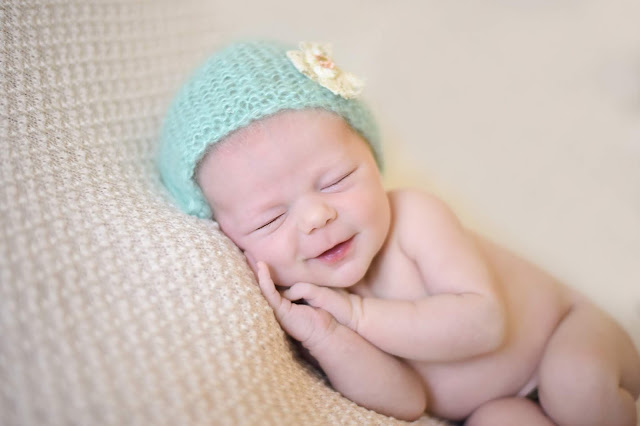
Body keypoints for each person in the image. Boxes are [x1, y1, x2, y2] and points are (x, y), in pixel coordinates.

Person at [157, 40, 640, 425]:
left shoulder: (413, 217)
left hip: (568, 331)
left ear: (373, 159)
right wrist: (327, 335)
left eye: (336, 180)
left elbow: (483, 323)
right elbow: (407, 401)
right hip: (492, 405)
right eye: (269, 219)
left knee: (576, 392)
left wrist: (360, 315)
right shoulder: (317, 306)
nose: (315, 217)